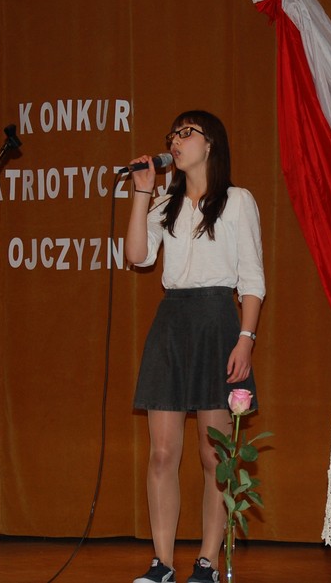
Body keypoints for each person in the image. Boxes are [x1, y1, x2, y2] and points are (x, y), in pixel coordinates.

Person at [125, 110, 265, 583]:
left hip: (217, 322)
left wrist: (245, 339)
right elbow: (137, 256)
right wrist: (142, 192)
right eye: (173, 134)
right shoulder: (165, 202)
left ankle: (207, 560)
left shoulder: (237, 201)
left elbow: (252, 280)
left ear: (210, 144)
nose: (175, 140)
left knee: (213, 455)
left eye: (186, 133)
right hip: (172, 322)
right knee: (162, 453)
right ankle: (161, 562)